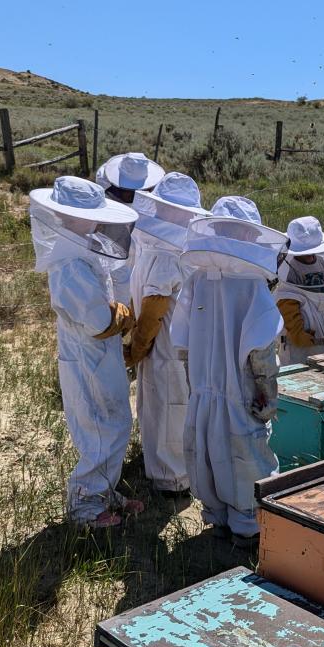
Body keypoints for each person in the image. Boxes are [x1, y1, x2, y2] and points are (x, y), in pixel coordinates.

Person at [30, 176, 145, 528]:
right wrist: (124, 316)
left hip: (97, 354)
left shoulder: (81, 250)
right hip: (88, 355)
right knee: (100, 427)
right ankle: (85, 506)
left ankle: (104, 492)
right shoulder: (69, 265)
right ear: (70, 216)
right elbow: (98, 320)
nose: (99, 221)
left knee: (114, 421)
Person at [172, 195, 286, 548]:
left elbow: (183, 341)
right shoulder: (252, 285)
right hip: (239, 391)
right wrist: (267, 393)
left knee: (208, 449)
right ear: (250, 237)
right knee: (245, 458)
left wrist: (196, 382)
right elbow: (261, 350)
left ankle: (217, 518)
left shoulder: (198, 280)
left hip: (204, 388)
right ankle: (247, 528)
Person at [126, 172, 206, 498]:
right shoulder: (161, 246)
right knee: (164, 405)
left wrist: (137, 347)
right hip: (174, 344)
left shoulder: (165, 252)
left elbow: (154, 308)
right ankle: (172, 468)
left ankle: (173, 479)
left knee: (168, 408)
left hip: (167, 347)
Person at [274, 216, 324, 366]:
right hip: (297, 349)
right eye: (304, 252)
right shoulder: (289, 267)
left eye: (312, 251)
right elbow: (286, 297)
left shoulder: (323, 263)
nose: (309, 255)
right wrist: (296, 331)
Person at [95, 152, 163, 308]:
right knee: (115, 275)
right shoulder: (107, 187)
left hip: (134, 243)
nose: (129, 193)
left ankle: (124, 311)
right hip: (112, 239)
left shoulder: (109, 183)